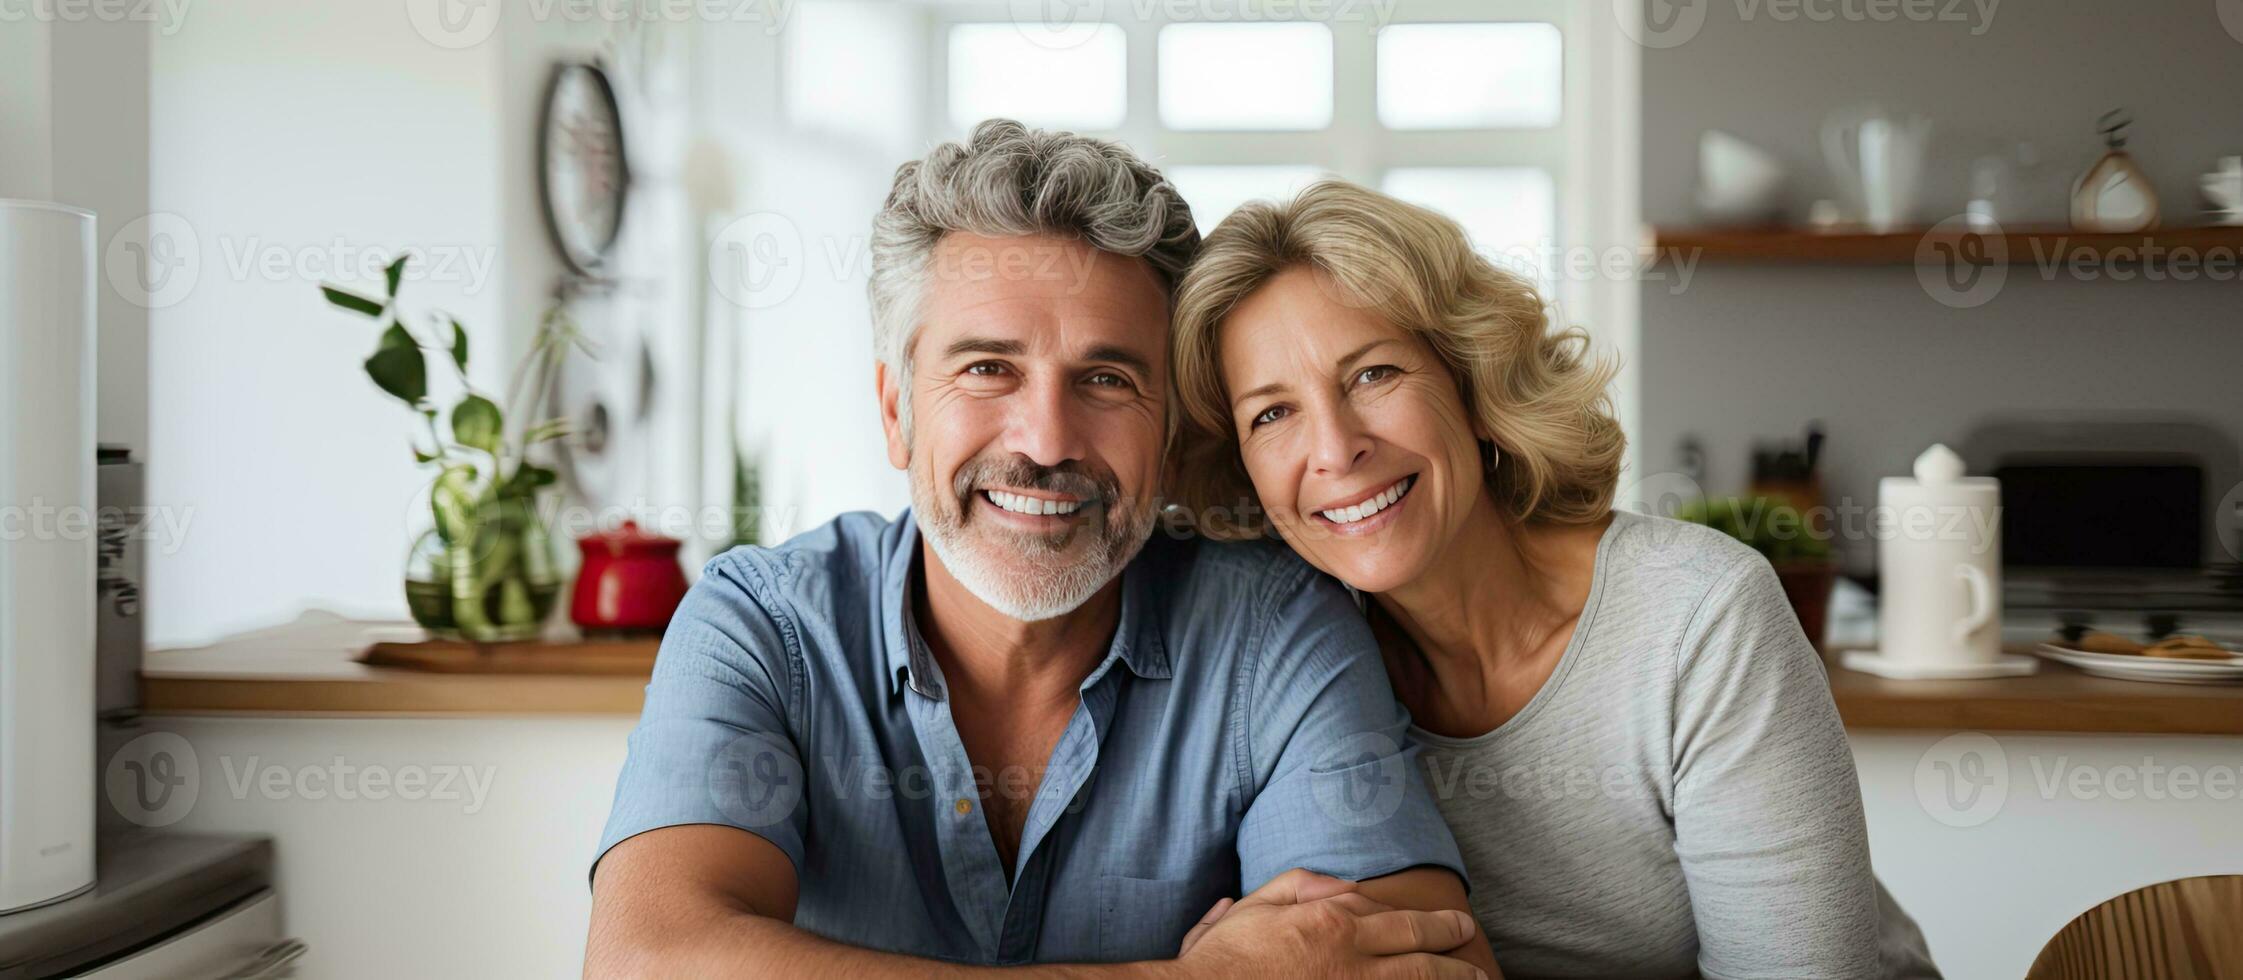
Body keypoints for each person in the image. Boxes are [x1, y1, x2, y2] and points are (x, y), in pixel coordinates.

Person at [583, 124, 1497, 979]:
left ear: (1173, 434)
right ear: (897, 410)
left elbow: (1429, 964)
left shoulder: (1278, 632)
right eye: (988, 368)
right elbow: (646, 961)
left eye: (1105, 379)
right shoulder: (763, 626)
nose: (1047, 439)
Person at [1167, 179, 1940, 979]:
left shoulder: (1699, 617)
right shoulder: (1294, 672)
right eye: (1271, 414)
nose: (1333, 448)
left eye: (1373, 375)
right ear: (1242, 469)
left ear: (1469, 380)